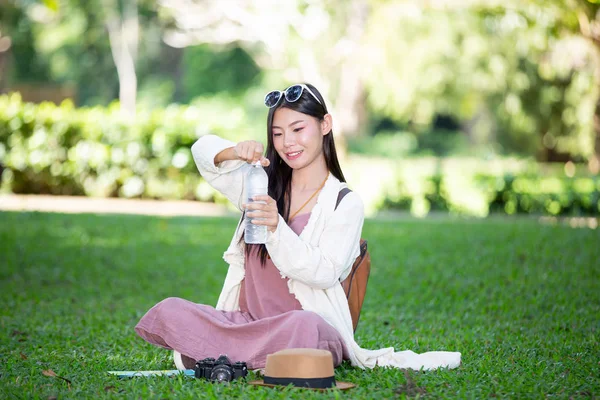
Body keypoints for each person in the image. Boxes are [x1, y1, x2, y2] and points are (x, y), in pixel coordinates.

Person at [135, 83, 461, 371]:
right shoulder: (260, 184)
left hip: (305, 327)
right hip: (247, 323)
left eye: (297, 129)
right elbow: (202, 153)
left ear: (325, 125)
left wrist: (277, 228)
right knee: (171, 309)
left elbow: (322, 272)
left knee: (305, 328)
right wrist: (233, 151)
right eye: (277, 134)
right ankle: (249, 354)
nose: (287, 142)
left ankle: (219, 354)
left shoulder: (345, 203)